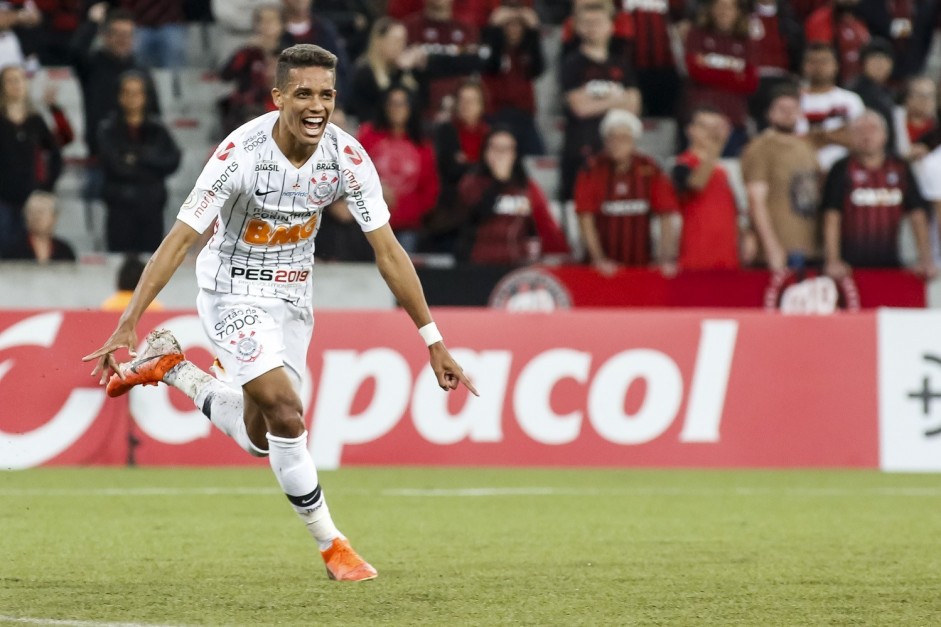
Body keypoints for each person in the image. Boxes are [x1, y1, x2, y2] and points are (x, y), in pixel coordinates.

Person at [82, 44, 477, 583]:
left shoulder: (347, 157)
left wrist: (432, 338)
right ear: (277, 97)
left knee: (260, 437)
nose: (317, 106)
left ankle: (172, 366)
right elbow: (181, 239)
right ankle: (333, 545)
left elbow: (388, 252)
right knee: (288, 413)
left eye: (327, 95)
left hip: (292, 300)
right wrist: (129, 316)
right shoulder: (239, 153)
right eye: (304, 94)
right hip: (230, 292)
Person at [822, 110, 936, 279]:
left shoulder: (900, 168)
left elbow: (917, 214)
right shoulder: (841, 169)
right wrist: (833, 260)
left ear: (885, 135)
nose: (866, 136)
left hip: (892, 265)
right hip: (848, 269)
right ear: (851, 137)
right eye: (860, 131)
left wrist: (925, 259)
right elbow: (831, 215)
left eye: (872, 130)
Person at [574, 109, 679, 276]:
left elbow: (665, 216)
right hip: (602, 271)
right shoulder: (591, 170)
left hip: (641, 265)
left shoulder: (650, 169)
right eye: (612, 138)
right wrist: (599, 259)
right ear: (605, 141)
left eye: (623, 138)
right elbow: (585, 220)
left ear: (634, 141)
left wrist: (665, 259)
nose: (617, 143)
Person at [559, 1, 640, 202]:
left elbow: (634, 106)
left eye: (598, 22)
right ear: (577, 27)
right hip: (582, 148)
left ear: (611, 26)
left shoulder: (622, 64)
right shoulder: (571, 63)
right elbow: (579, 107)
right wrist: (617, 99)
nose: (592, 27)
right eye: (587, 22)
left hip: (616, 150)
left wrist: (596, 101)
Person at [453, 127, 569, 264]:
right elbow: (472, 218)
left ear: (515, 154)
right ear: (485, 152)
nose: (500, 154)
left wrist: (562, 256)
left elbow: (545, 225)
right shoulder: (471, 183)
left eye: (507, 149)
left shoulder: (526, 188)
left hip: (515, 264)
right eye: (495, 148)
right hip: (478, 263)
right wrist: (499, 181)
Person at [97, 71, 181, 253]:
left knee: (151, 264)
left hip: (152, 207)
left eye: (136, 93)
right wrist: (151, 163)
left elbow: (172, 161)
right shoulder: (108, 129)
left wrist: (137, 158)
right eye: (126, 92)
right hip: (120, 206)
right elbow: (115, 167)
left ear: (145, 96)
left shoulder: (158, 130)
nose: (131, 98)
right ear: (119, 96)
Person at [741, 85, 821, 272]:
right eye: (781, 109)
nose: (788, 114)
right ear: (769, 113)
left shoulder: (807, 146)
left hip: (810, 247)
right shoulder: (760, 147)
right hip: (779, 250)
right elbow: (756, 200)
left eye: (793, 109)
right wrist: (771, 247)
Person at [357, 86, 440, 251]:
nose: (397, 109)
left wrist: (407, 210)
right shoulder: (368, 135)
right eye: (392, 103)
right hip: (368, 223)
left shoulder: (423, 146)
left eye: (402, 104)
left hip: (406, 228)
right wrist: (376, 191)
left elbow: (431, 190)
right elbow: (353, 172)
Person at [0, 64, 66, 249]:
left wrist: (46, 187)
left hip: (30, 198)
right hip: (3, 198)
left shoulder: (35, 121)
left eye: (20, 80)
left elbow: (56, 152)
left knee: (29, 248)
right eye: (10, 81)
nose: (16, 85)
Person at [683, 0, 758, 157]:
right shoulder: (696, 35)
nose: (724, 12)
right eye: (720, 7)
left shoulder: (746, 41)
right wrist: (735, 75)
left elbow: (751, 82)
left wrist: (710, 70)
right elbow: (695, 72)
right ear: (711, 10)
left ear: (738, 12)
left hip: (734, 121)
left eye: (730, 7)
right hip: (701, 122)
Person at [672, 106, 741, 271]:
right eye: (705, 127)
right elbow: (696, 184)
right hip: (696, 261)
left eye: (716, 127)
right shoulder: (682, 164)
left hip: (727, 260)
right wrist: (715, 147)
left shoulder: (724, 171)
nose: (711, 133)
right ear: (690, 130)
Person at [479, 1, 544, 155]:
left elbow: (538, 69)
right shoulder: (492, 50)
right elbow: (491, 64)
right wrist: (493, 28)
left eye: (518, 25)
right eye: (508, 25)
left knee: (538, 156)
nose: (514, 30)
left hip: (524, 116)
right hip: (495, 115)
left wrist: (534, 31)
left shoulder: (527, 52)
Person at [218, 4, 292, 134]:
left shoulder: (290, 54)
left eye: (271, 21)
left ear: (282, 25)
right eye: (261, 21)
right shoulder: (247, 53)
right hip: (251, 109)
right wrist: (246, 49)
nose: (265, 26)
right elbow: (226, 75)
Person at [402, 0, 481, 120]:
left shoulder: (467, 30)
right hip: (419, 111)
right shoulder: (409, 27)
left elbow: (473, 74)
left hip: (459, 111)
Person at [797, 42, 865, 172]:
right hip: (803, 170)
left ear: (836, 66)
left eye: (824, 62)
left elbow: (860, 140)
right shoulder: (794, 100)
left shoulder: (851, 99)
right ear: (804, 66)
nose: (819, 67)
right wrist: (838, 133)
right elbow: (791, 142)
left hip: (843, 171)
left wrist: (819, 136)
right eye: (813, 62)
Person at [348, 16, 422, 123]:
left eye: (404, 41)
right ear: (379, 41)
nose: (401, 46)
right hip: (371, 132)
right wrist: (402, 71)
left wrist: (417, 70)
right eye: (396, 40)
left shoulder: (404, 72)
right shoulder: (364, 72)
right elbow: (385, 108)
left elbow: (416, 108)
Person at [433, 81, 489, 212]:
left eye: (472, 101)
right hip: (452, 202)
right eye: (462, 100)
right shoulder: (445, 131)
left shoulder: (490, 134)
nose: (466, 105)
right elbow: (448, 170)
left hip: (484, 199)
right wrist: (477, 164)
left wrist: (465, 164)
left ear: (482, 105)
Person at [748, 0, 804, 131]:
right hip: (752, 79)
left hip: (782, 79)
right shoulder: (743, 16)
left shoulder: (790, 18)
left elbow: (797, 51)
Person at [848, 38, 897, 153]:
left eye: (885, 60)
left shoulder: (890, 92)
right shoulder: (853, 91)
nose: (880, 65)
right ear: (863, 63)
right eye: (874, 59)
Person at [804, 0, 870, 86]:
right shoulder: (821, 20)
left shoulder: (861, 20)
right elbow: (820, 53)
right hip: (833, 82)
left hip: (858, 81)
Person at [1, 190, 75, 262]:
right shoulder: (14, 249)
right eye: (32, 212)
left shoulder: (64, 250)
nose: (36, 217)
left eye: (41, 212)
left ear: (54, 217)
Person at [896, 76, 937, 161]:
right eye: (921, 95)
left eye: (930, 95)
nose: (926, 100)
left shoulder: (936, 129)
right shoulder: (894, 121)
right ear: (908, 98)